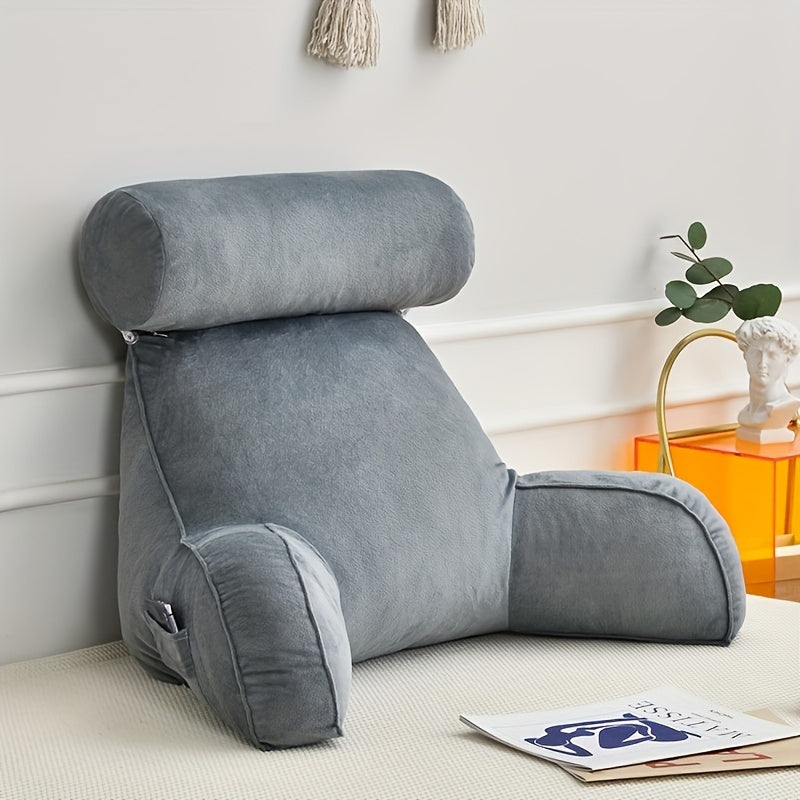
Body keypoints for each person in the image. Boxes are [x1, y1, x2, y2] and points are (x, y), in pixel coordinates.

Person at [735, 316, 800, 443]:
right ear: (745, 356)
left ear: (787, 359)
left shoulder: (783, 407)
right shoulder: (746, 414)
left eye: (772, 355)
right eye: (756, 353)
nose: (762, 363)